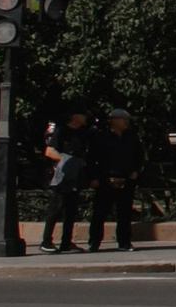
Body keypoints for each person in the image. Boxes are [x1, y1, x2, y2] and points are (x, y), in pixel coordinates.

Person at [40, 102, 96, 252]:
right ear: (75, 116)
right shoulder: (61, 131)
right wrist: (66, 161)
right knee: (56, 208)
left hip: (76, 175)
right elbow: (49, 151)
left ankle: (66, 242)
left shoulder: (83, 133)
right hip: (62, 175)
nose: (85, 117)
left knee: (71, 210)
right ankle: (46, 241)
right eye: (83, 114)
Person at [88, 106, 140, 253]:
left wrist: (135, 171)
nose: (126, 122)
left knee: (124, 213)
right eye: (123, 119)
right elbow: (92, 158)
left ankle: (124, 242)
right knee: (100, 213)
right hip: (106, 180)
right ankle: (94, 242)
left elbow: (139, 155)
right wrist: (93, 177)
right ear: (113, 121)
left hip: (126, 179)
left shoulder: (131, 136)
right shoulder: (101, 137)